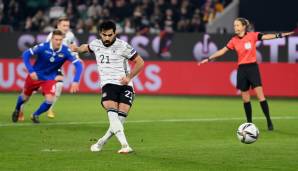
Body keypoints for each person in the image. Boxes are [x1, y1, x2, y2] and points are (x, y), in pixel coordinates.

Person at [199, 17, 294, 131]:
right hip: (242, 69)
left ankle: (269, 121)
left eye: (238, 25)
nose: (235, 27)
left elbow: (267, 37)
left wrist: (280, 35)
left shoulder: (252, 35)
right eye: (234, 26)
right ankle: (249, 124)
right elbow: (222, 51)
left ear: (244, 26)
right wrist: (208, 59)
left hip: (252, 68)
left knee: (260, 97)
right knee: (245, 99)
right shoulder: (233, 40)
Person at [71, 21, 144, 154]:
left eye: (110, 35)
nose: (107, 38)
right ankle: (125, 145)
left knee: (119, 119)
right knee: (113, 116)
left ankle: (101, 142)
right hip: (108, 85)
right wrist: (76, 49)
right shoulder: (96, 44)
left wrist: (129, 77)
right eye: (104, 35)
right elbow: (85, 47)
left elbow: (140, 62)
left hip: (125, 86)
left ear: (115, 33)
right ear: (100, 34)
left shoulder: (123, 46)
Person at [12, 29, 83, 124]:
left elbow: (79, 65)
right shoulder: (43, 47)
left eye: (60, 40)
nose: (58, 42)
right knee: (24, 97)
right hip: (35, 76)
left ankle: (35, 115)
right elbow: (26, 54)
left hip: (49, 78)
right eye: (56, 39)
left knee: (50, 101)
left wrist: (76, 81)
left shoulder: (66, 51)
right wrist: (31, 71)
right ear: (51, 39)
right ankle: (17, 109)